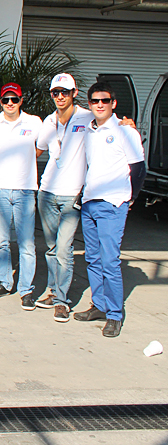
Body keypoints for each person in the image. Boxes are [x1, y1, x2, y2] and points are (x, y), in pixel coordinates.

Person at [73, 82, 145, 338]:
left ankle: (115, 314)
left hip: (113, 204)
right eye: (95, 101)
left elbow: (138, 168)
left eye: (104, 100)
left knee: (110, 261)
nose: (99, 105)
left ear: (113, 103)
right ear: (90, 104)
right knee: (92, 258)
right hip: (90, 202)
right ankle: (99, 305)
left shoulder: (125, 131)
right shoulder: (89, 131)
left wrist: (131, 197)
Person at [0, 83, 43, 310]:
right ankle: (4, 282)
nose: (10, 103)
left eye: (14, 99)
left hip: (25, 190)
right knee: (1, 243)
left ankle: (26, 290)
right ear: (0, 101)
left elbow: (46, 143)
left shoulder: (34, 122)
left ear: (21, 100)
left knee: (27, 244)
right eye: (6, 99)